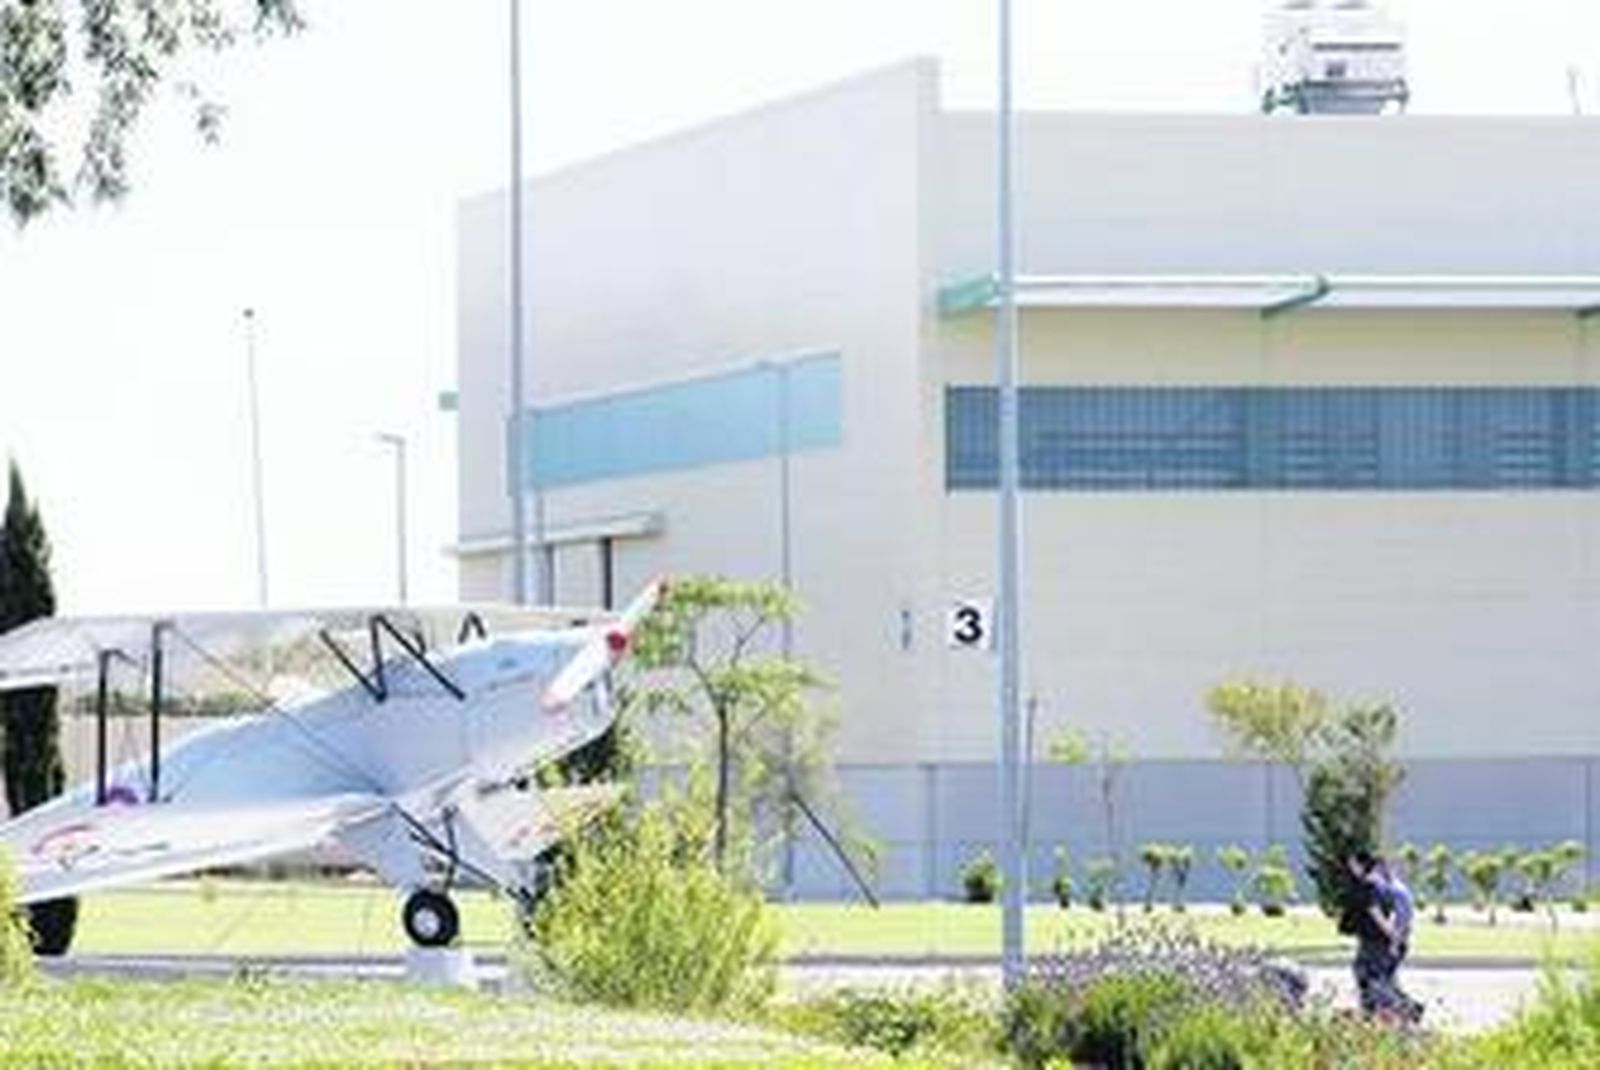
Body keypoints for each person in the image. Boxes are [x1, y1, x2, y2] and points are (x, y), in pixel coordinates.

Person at [1370, 856, 1424, 1023]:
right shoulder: (1397, 889)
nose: (1374, 876)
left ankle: (1410, 1008)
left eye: (1376, 871)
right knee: (1389, 981)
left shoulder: (1395, 892)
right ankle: (1400, 1012)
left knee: (1381, 982)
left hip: (1396, 942)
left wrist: (1394, 943)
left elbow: (1401, 920)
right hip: (1398, 942)